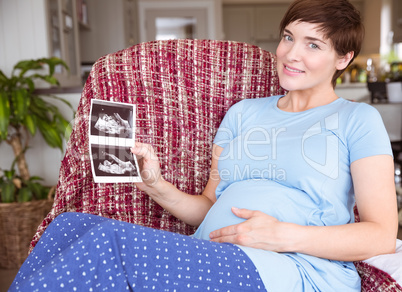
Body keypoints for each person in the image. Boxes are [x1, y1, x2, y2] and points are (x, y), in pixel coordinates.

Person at [9, 0, 398, 291]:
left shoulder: (356, 120)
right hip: (213, 252)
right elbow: (209, 209)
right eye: (288, 37)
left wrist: (285, 235)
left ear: (343, 58)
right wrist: (155, 185)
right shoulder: (244, 113)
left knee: (106, 243)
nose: (291, 54)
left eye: (314, 45)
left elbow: (380, 233)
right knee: (68, 226)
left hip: (293, 268)